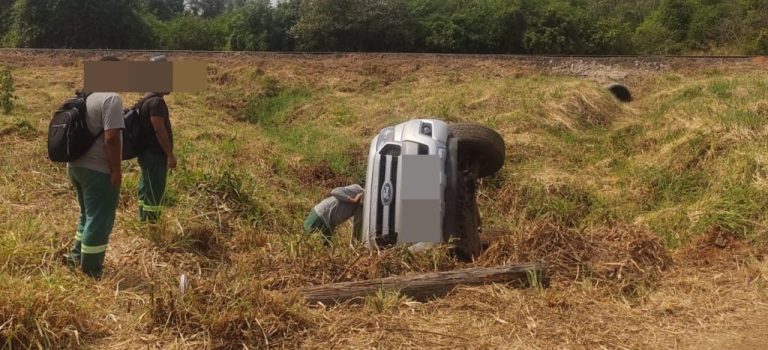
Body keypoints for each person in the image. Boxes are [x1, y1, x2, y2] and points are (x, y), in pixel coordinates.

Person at [66, 55, 124, 279]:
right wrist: (116, 171)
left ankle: (75, 258)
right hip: (98, 170)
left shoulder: (85, 96)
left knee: (86, 216)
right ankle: (91, 272)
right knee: (99, 220)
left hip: (76, 166)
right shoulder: (111, 99)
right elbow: (111, 139)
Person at [137, 55, 177, 223]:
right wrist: (169, 154)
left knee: (146, 187)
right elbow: (159, 130)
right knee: (155, 190)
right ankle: (152, 225)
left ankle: (143, 219)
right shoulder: (156, 103)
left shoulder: (146, 99)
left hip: (146, 153)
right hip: (155, 155)